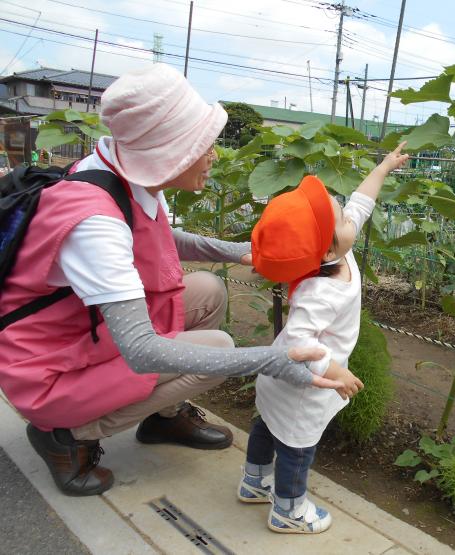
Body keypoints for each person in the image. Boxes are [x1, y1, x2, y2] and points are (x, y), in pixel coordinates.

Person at [0, 63, 360, 497]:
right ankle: (66, 435)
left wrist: (240, 253)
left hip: (81, 329)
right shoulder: (93, 221)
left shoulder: (120, 172)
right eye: (205, 145)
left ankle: (162, 417)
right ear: (171, 153)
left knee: (207, 291)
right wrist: (271, 359)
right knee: (220, 349)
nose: (214, 155)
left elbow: (159, 235)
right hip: (48, 368)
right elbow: (140, 351)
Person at [237, 142, 409, 534]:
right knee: (297, 446)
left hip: (276, 379)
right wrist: (333, 369)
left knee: (268, 425)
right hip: (303, 384)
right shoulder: (321, 289)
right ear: (328, 247)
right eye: (341, 218)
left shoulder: (331, 252)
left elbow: (360, 207)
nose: (350, 217)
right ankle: (288, 510)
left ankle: (253, 481)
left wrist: (383, 168)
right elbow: (296, 339)